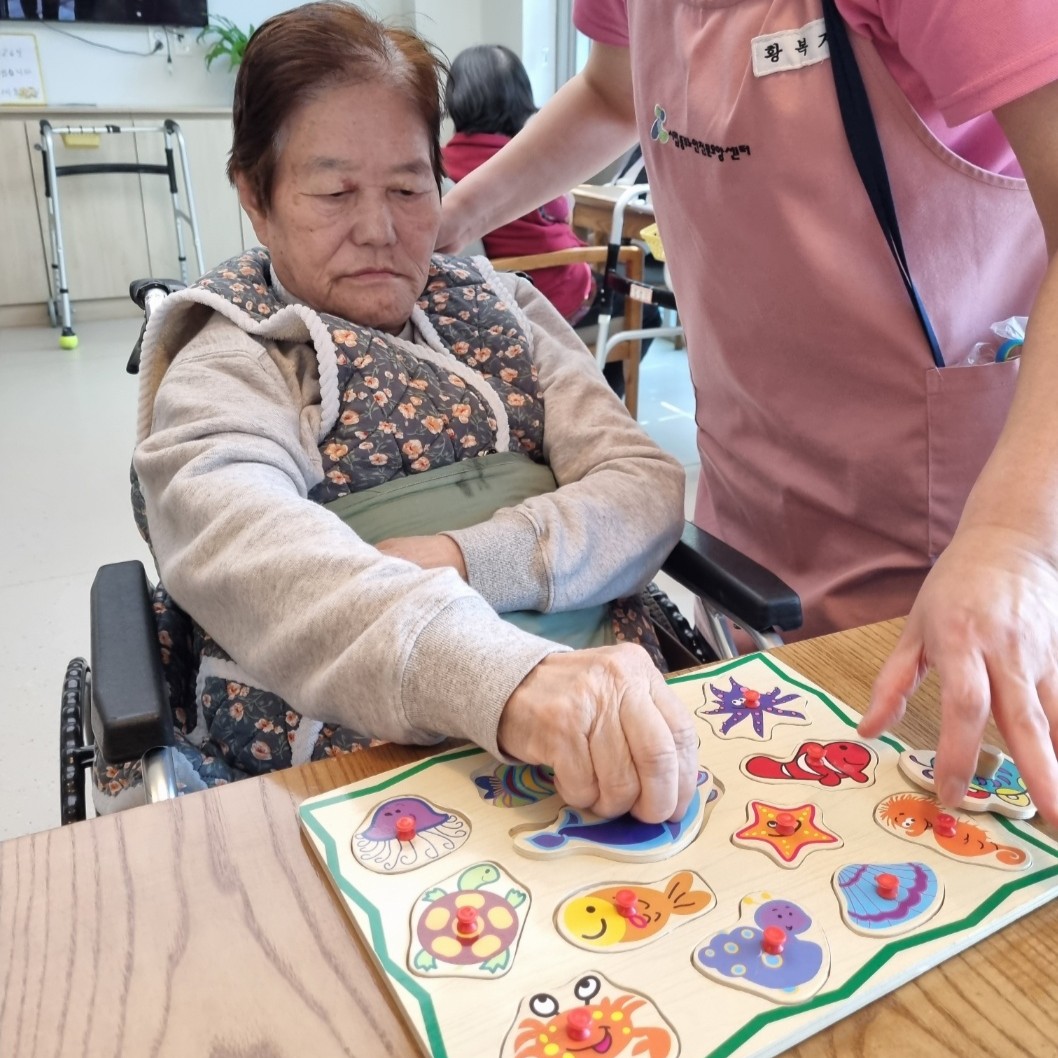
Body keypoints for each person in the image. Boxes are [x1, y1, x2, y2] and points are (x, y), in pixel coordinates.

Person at [436, 0, 1058, 826]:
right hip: (753, 497)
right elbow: (615, 93)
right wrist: (448, 223)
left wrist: (1013, 539)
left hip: (967, 539)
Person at [98, 1, 698, 824]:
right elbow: (255, 554)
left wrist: (465, 559)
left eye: (410, 188)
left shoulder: (506, 307)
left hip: (619, 716)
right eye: (334, 191)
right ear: (255, 196)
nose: (379, 229)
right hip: (364, 768)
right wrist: (511, 680)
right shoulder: (234, 357)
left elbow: (643, 484)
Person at [443, 44, 595, 324]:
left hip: (482, 301)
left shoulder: (440, 165)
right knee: (646, 312)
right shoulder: (532, 165)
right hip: (549, 296)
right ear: (520, 98)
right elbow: (563, 213)